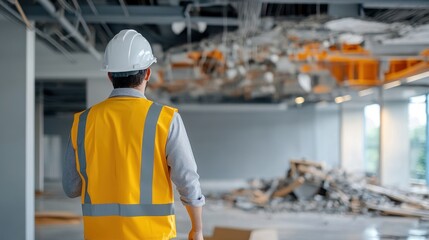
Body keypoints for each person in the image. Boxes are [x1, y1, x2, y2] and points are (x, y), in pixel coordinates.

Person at [62, 29, 205, 240]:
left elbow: (71, 188)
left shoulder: (83, 122)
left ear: (110, 75)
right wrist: (197, 229)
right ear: (147, 73)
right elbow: (187, 180)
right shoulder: (165, 119)